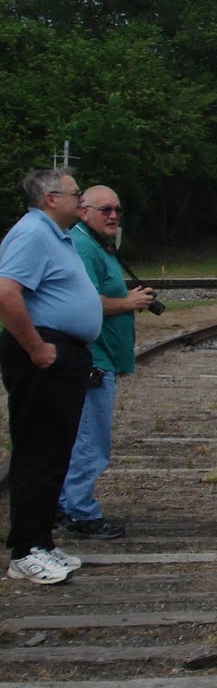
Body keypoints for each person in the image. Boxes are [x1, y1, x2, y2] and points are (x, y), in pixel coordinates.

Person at [0, 168, 102, 584]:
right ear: (49, 198)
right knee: (38, 450)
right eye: (76, 194)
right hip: (43, 352)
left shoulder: (53, 235)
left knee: (55, 451)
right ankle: (25, 551)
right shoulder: (31, 234)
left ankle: (42, 541)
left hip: (64, 353)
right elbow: (7, 292)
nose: (82, 201)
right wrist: (37, 349)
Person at [59, 185, 153, 539]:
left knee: (80, 435)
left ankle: (67, 502)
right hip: (92, 359)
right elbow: (83, 301)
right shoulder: (83, 246)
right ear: (83, 211)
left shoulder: (94, 243)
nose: (113, 216)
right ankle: (79, 511)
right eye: (104, 210)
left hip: (99, 356)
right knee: (90, 439)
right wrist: (127, 303)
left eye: (116, 209)